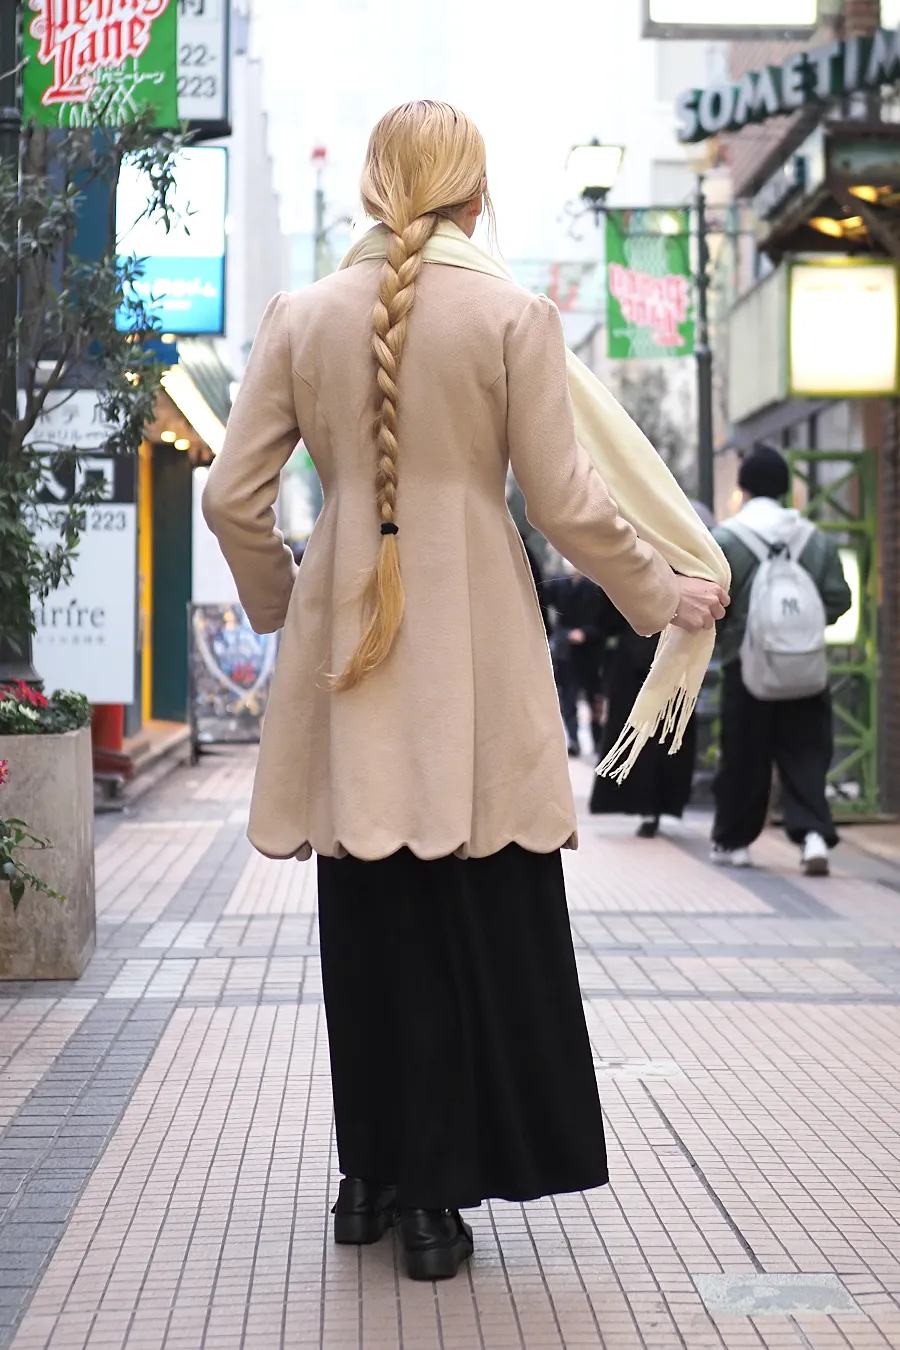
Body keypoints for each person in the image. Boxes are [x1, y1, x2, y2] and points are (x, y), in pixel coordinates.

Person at [202, 101, 727, 1283]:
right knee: (465, 916)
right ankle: (436, 1204)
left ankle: (368, 1182)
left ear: (374, 188)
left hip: (347, 652)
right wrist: (660, 594)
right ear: (474, 194)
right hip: (474, 654)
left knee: (363, 920)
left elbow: (232, 498)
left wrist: (284, 601)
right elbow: (568, 502)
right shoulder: (511, 317)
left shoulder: (301, 317)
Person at [710, 445, 851, 876]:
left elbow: (715, 602)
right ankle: (813, 837)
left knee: (744, 754)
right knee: (806, 751)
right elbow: (838, 599)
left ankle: (735, 842)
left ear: (744, 488)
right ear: (786, 488)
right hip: (805, 667)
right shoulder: (814, 539)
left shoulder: (727, 540)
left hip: (746, 665)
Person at [590, 499, 715, 834]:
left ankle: (642, 805)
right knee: (668, 732)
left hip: (635, 653)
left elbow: (606, 614)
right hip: (676, 654)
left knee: (637, 729)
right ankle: (662, 804)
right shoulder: (691, 553)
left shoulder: (634, 547)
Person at [545, 563, 608, 756]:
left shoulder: (597, 586)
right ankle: (573, 739)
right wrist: (559, 634)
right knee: (568, 697)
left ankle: (599, 741)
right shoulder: (558, 584)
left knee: (594, 697)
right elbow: (543, 602)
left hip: (591, 651)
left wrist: (586, 633)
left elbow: (605, 620)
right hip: (566, 651)